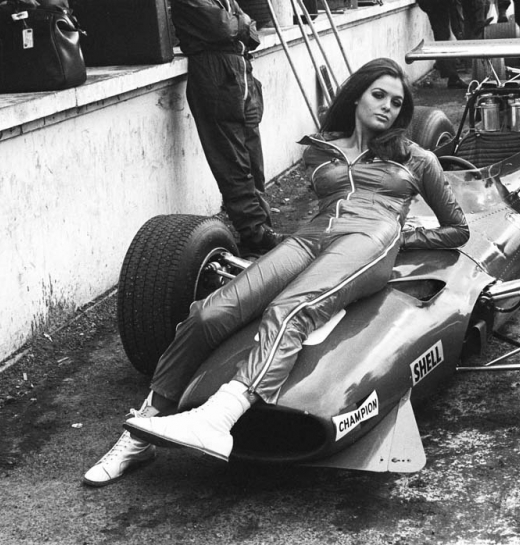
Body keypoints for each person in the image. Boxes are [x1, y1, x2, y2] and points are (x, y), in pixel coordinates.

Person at [83, 58, 471, 486]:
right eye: (379, 95)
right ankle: (141, 432)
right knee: (209, 313)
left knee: (290, 309)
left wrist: (402, 238)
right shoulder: (320, 148)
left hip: (372, 235)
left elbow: (458, 229)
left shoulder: (417, 158)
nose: (387, 107)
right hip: (310, 237)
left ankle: (216, 418)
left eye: (397, 103)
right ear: (357, 94)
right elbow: (325, 208)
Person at [170, 0, 283, 254]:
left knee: (254, 162)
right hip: (216, 77)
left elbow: (253, 33)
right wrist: (239, 22)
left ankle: (263, 227)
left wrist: (239, 23)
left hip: (242, 76)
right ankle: (253, 232)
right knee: (234, 164)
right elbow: (222, 27)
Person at [417, 0, 470, 88]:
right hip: (438, 4)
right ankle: (452, 76)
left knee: (445, 34)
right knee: (444, 35)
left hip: (437, 5)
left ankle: (449, 72)